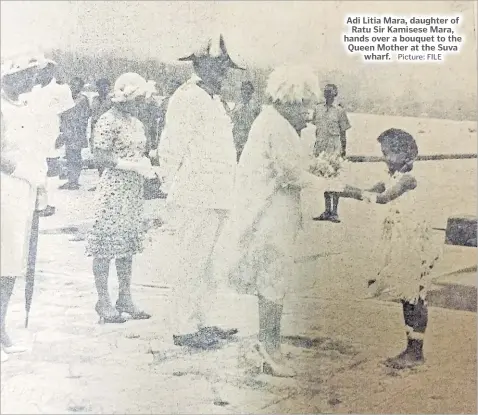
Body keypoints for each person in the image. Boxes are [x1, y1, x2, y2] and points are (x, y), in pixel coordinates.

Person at [213, 66, 343, 377]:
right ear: (289, 99)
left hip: (273, 214)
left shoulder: (272, 122)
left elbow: (291, 166)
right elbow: (290, 174)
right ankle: (269, 348)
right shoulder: (276, 126)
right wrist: (332, 183)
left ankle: (270, 344)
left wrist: (317, 167)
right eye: (303, 104)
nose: (308, 112)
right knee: (272, 281)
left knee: (274, 281)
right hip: (270, 216)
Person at [155, 34, 244, 349]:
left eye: (225, 68)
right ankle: (183, 326)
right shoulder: (187, 96)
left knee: (211, 263)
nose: (223, 73)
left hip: (218, 194)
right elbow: (172, 145)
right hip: (195, 194)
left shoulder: (214, 99)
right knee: (190, 261)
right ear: (201, 65)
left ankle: (204, 320)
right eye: (218, 66)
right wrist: (169, 185)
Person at [339, 128, 441, 369]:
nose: (386, 158)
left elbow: (384, 198)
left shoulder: (408, 179)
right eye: (385, 153)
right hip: (402, 240)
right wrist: (343, 188)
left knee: (415, 295)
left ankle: (416, 352)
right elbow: (373, 191)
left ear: (409, 155)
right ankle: (411, 348)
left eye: (392, 153)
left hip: (414, 242)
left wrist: (352, 192)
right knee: (407, 295)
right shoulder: (392, 176)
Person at [86, 72, 157, 324]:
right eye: (138, 99)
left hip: (132, 190)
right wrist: (131, 165)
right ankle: (103, 299)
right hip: (114, 187)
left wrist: (147, 163)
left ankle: (125, 296)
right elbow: (100, 157)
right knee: (105, 245)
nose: (141, 105)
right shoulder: (107, 120)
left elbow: (140, 151)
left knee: (127, 245)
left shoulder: (136, 123)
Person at [1, 54, 45, 363]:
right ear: (11, 75)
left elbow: (36, 149)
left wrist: (40, 188)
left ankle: (0, 325)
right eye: (27, 73)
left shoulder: (28, 107)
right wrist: (24, 172)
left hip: (23, 192)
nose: (32, 79)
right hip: (4, 186)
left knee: (13, 261)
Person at [28, 59, 75, 214]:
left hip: (52, 133)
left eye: (41, 70)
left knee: (52, 168)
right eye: (37, 71)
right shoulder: (33, 89)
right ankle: (39, 203)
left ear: (50, 70)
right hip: (34, 134)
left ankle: (51, 204)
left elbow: (68, 114)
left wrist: (65, 133)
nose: (38, 74)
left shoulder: (61, 89)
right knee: (36, 168)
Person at [312, 84, 351, 223]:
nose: (328, 95)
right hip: (321, 149)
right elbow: (316, 129)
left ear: (335, 94)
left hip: (334, 149)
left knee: (335, 180)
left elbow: (343, 133)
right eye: (326, 92)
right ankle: (327, 210)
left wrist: (343, 151)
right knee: (325, 179)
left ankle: (334, 212)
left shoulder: (340, 111)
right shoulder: (317, 109)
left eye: (331, 92)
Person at [58, 77, 91, 190]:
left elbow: (86, 115)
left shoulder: (83, 99)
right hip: (67, 131)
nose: (73, 87)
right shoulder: (66, 98)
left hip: (77, 132)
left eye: (76, 85)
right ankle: (71, 179)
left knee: (75, 156)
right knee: (69, 155)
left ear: (80, 87)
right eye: (72, 84)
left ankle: (74, 181)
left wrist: (80, 130)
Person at [88, 78, 113, 191]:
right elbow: (91, 115)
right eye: (100, 87)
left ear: (109, 88)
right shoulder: (94, 100)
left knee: (108, 158)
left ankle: (108, 184)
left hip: (108, 131)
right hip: (95, 130)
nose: (102, 89)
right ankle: (101, 182)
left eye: (105, 86)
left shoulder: (112, 100)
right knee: (98, 157)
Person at [231, 81, 261, 162]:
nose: (246, 93)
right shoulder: (238, 104)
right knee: (240, 158)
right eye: (244, 90)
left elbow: (259, 121)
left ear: (251, 92)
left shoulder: (255, 105)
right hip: (239, 137)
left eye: (248, 91)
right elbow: (232, 119)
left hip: (251, 137)